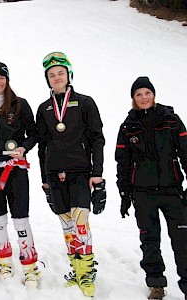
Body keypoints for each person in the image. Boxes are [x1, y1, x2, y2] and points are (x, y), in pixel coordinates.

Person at [36, 51, 105, 297]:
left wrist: (97, 173)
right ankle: (76, 270)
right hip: (55, 174)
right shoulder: (44, 108)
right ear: (48, 79)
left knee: (80, 222)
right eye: (52, 75)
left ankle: (86, 273)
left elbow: (97, 138)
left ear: (69, 75)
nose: (56, 77)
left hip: (80, 172)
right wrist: (45, 179)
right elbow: (42, 145)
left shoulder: (85, 102)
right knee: (66, 224)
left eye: (60, 73)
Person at [115, 76, 187, 300]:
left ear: (153, 95)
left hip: (172, 190)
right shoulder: (128, 127)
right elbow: (123, 163)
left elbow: (185, 152)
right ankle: (156, 284)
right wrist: (124, 193)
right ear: (133, 99)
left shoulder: (171, 120)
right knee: (149, 240)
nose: (143, 98)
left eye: (147, 93)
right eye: (138, 94)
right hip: (143, 193)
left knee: (182, 240)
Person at [0, 62, 40, 288]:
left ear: (7, 80)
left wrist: (23, 148)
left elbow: (33, 134)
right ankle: (4, 262)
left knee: (21, 217)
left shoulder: (20, 104)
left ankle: (29, 265)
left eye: (1, 78)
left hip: (16, 170)